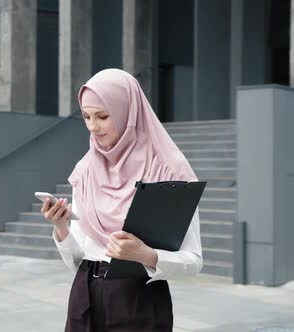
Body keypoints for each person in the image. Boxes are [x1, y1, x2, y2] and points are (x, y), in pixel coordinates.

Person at [40, 69, 203, 331]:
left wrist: (146, 255)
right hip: (84, 295)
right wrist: (61, 228)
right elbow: (79, 262)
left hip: (139, 298)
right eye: (86, 117)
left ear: (127, 111)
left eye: (103, 116)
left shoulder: (168, 169)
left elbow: (193, 261)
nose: (93, 127)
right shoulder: (86, 169)